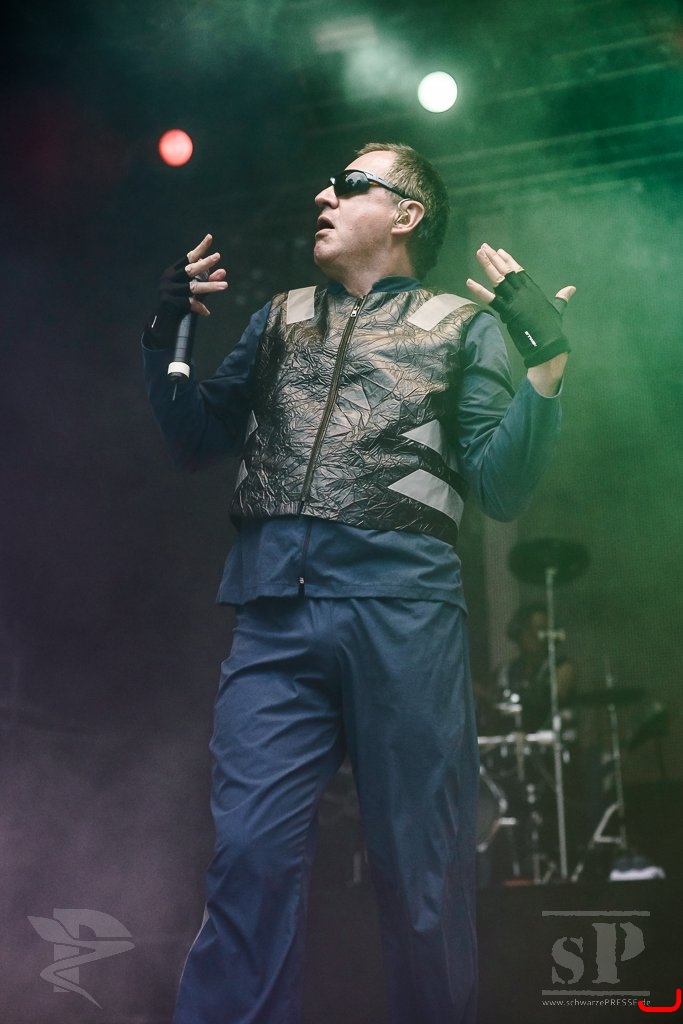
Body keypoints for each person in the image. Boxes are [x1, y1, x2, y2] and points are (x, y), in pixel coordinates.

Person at [142, 142, 575, 1024]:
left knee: (421, 875)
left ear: (406, 214)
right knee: (248, 858)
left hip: (402, 616)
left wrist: (545, 372)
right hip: (273, 617)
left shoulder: (462, 325)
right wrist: (167, 335)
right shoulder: (280, 316)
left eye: (348, 185)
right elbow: (194, 438)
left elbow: (500, 489)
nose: (323, 195)